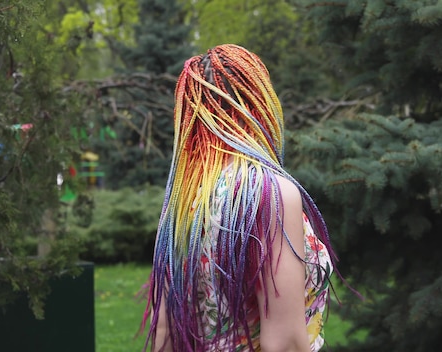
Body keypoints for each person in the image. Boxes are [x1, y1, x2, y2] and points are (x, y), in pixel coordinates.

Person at [142, 44, 336, 352]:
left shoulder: (183, 202)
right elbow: (284, 343)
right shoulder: (269, 192)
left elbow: (165, 335)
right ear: (258, 101)